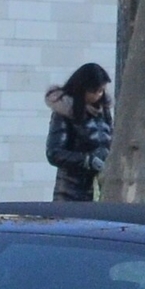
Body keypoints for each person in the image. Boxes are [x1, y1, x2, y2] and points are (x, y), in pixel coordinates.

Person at [45, 63, 113, 203]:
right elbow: (54, 153)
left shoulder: (103, 111)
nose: (98, 95)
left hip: (99, 187)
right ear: (83, 88)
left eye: (101, 91)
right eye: (94, 91)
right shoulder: (64, 111)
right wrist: (86, 160)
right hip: (70, 190)